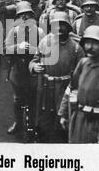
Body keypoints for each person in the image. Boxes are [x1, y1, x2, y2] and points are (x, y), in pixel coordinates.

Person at [30, 12, 84, 143]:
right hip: (46, 87)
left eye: (63, 26)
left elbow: (83, 71)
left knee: (63, 121)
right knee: (44, 121)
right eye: (55, 26)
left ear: (69, 27)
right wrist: (33, 66)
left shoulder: (76, 47)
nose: (59, 29)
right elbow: (34, 60)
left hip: (66, 88)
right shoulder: (45, 41)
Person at [5, 1, 45, 137]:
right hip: (17, 71)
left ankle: (32, 124)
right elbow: (5, 49)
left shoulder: (40, 32)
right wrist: (18, 48)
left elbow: (46, 51)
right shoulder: (14, 31)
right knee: (18, 99)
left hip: (33, 72)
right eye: (22, 16)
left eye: (27, 15)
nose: (25, 18)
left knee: (33, 99)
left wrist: (32, 49)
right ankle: (18, 123)